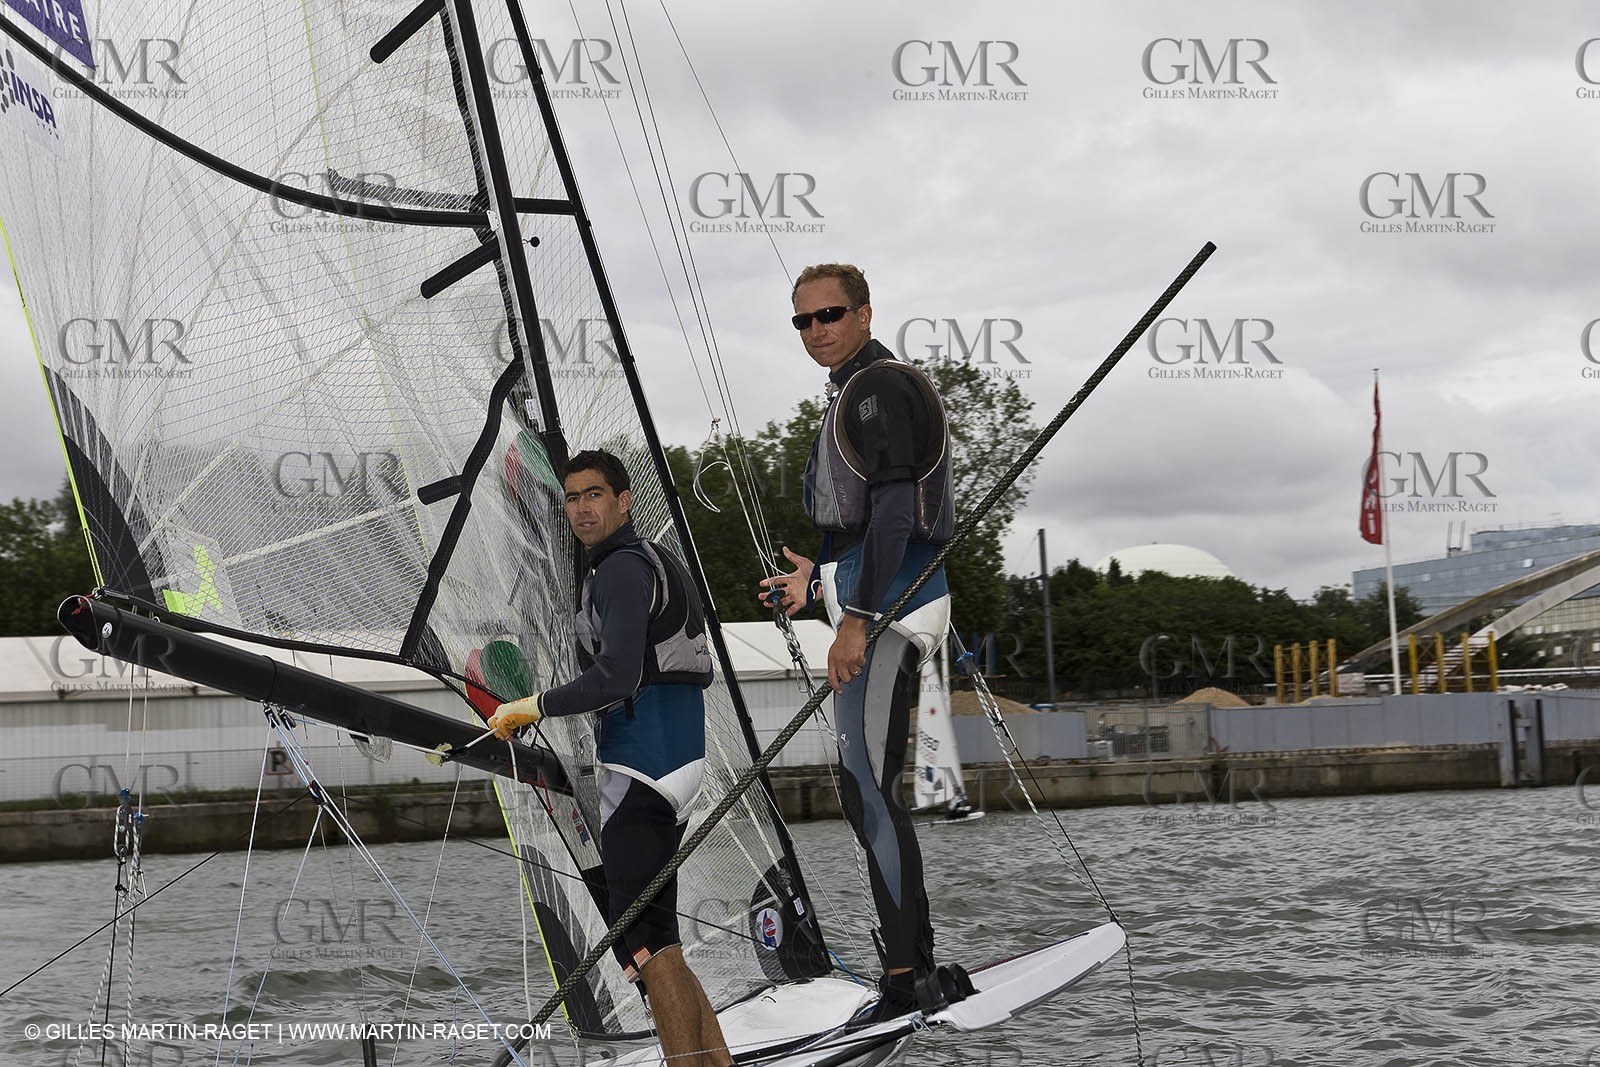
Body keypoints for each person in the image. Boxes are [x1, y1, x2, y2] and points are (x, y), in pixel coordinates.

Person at [759, 263, 973, 1023]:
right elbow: (858, 527)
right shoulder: (856, 389)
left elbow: (891, 518)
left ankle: (905, 974)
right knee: (863, 788)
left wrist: (854, 621)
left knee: (872, 789)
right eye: (804, 320)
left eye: (831, 314)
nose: (818, 329)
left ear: (865, 311)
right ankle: (914, 957)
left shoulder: (878, 387)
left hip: (892, 613)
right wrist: (814, 582)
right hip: (877, 604)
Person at [489, 449, 733, 1067]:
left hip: (641, 772)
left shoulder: (623, 569)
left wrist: (533, 705)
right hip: (672, 766)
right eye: (570, 498)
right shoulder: (647, 560)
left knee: (649, 952)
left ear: (625, 501)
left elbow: (618, 677)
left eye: (593, 494)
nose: (580, 509)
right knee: (664, 944)